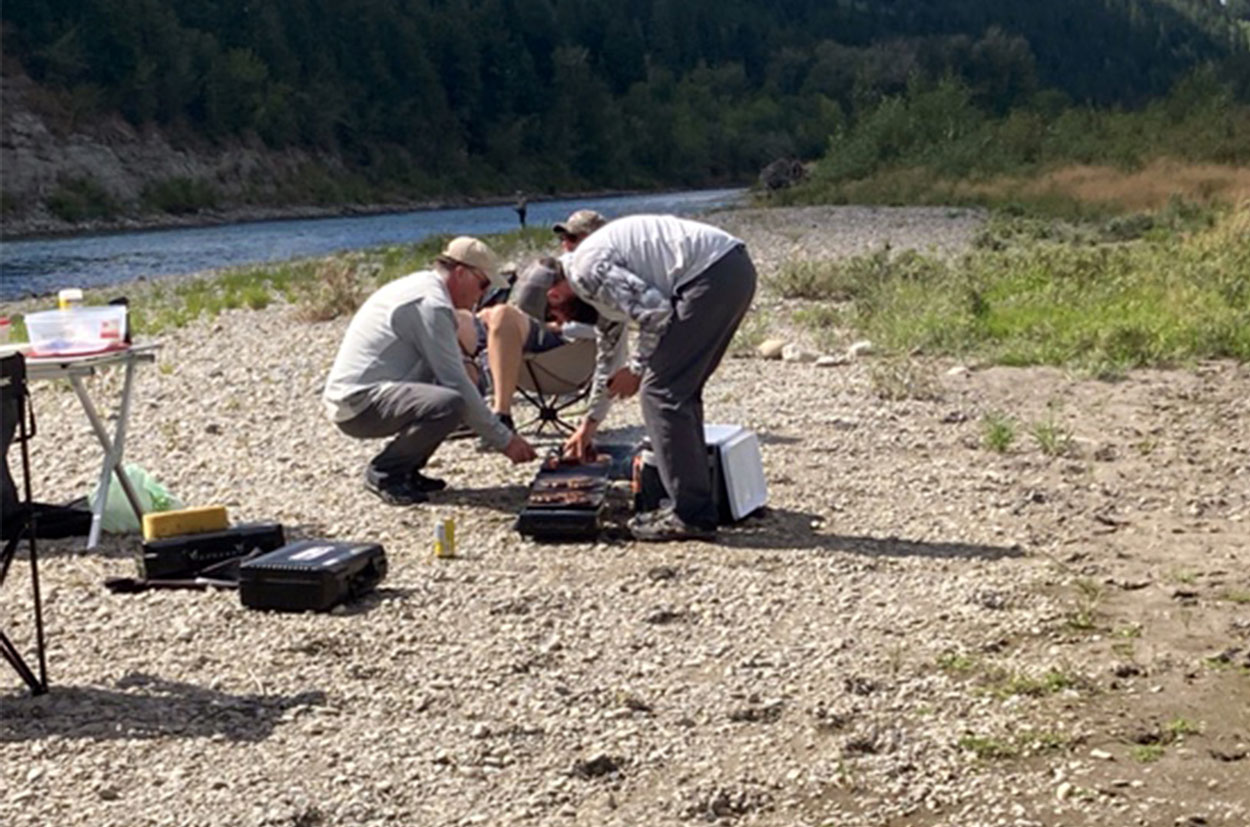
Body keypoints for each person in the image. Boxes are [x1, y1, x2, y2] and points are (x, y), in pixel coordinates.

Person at [545, 214, 757, 542]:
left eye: (553, 316)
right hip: (729, 268)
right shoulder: (595, 291)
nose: (560, 322)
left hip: (709, 276)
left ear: (554, 295)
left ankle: (690, 514)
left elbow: (656, 313)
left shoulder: (588, 270)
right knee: (679, 391)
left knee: (661, 393)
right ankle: (695, 504)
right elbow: (607, 360)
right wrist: (589, 425)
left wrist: (636, 368)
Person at [322, 236, 537, 506]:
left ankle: (408, 470)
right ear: (460, 273)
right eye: (483, 284)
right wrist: (505, 440)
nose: (482, 294)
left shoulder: (424, 288)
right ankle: (386, 472)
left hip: (371, 393)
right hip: (357, 404)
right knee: (449, 402)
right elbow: (456, 382)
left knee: (453, 397)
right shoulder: (430, 304)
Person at [467, 209, 609, 428]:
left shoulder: (606, 277)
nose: (565, 244)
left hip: (570, 353)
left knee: (502, 315)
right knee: (474, 318)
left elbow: (607, 328)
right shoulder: (559, 269)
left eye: (572, 238)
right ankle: (464, 406)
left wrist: (557, 328)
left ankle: (500, 415)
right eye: (563, 238)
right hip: (543, 344)